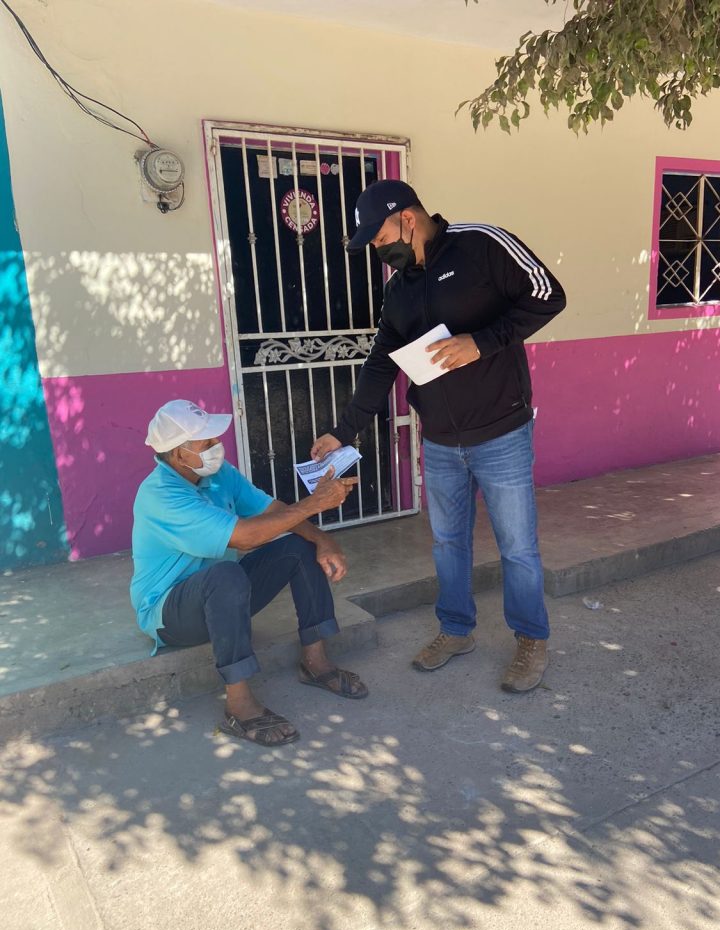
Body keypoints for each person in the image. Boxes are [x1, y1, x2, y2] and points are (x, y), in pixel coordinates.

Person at [312, 180, 566, 693]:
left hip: (502, 432)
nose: (380, 249)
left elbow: (548, 295)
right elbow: (382, 363)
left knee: (517, 547)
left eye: (381, 237)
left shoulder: (481, 244)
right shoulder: (400, 289)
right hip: (442, 440)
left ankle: (531, 639)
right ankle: (456, 630)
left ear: (407, 218)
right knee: (448, 544)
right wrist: (343, 430)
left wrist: (481, 343)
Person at [131, 399, 367, 748]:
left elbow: (271, 510)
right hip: (170, 614)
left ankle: (315, 663)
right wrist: (315, 502)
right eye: (207, 443)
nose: (218, 446)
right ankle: (238, 706)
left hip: (223, 594)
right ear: (179, 455)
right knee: (225, 574)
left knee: (298, 546)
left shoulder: (216, 474)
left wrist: (322, 539)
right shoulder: (161, 496)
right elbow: (244, 537)